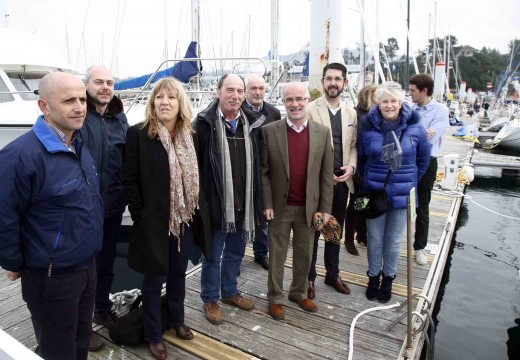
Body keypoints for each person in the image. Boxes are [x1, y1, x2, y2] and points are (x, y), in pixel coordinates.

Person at [0, 72, 103, 360]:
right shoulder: (19, 157)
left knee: (81, 341)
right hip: (51, 277)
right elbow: (4, 218)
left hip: (86, 267)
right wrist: (18, 263)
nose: (80, 107)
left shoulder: (78, 145)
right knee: (58, 350)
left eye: (82, 99)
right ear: (44, 106)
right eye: (69, 100)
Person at [123, 77, 209, 360]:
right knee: (153, 278)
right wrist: (141, 216)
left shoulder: (191, 135)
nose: (165, 102)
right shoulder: (139, 134)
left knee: (177, 274)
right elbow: (130, 180)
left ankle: (177, 319)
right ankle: (153, 333)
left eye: (171, 98)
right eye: (160, 97)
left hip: (184, 220)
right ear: (152, 103)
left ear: (180, 103)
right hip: (154, 221)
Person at [193, 74, 263, 325]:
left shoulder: (252, 123)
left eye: (239, 91)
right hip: (216, 204)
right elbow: (196, 167)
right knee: (212, 256)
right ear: (218, 91)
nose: (235, 96)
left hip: (245, 202)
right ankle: (210, 298)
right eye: (230, 90)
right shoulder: (203, 124)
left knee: (236, 252)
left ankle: (230, 291)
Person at [261, 82, 334, 321]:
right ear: (284, 103)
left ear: (306, 101)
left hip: (309, 209)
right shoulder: (269, 131)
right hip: (280, 208)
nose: (295, 104)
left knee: (305, 254)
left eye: (299, 99)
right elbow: (264, 172)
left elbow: (326, 176)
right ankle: (275, 298)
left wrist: (324, 210)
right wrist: (267, 203)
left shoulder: (322, 133)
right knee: (277, 255)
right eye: (290, 100)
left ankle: (299, 292)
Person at [357, 81, 430, 304]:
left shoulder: (415, 127)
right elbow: (361, 159)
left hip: (402, 194)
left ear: (401, 102)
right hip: (375, 192)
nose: (389, 105)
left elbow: (423, 160)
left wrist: (409, 182)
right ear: (378, 103)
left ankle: (388, 279)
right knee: (375, 238)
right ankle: (373, 277)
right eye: (385, 101)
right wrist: (369, 181)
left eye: (394, 101)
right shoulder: (367, 126)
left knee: (394, 240)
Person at [80, 65, 128, 337]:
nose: (105, 87)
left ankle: (101, 307)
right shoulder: (79, 115)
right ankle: (81, 324)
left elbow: (127, 159)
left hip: (112, 206)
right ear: (86, 85)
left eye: (109, 82)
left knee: (106, 262)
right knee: (83, 268)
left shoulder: (119, 118)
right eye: (98, 82)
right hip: (84, 210)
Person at [306, 63, 356, 299]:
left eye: (338, 79)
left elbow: (353, 146)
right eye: (329, 79)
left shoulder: (351, 113)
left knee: (335, 229)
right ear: (322, 82)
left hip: (342, 181)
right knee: (315, 229)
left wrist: (352, 167)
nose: (333, 83)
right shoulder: (310, 110)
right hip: (318, 183)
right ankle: (309, 277)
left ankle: (332, 273)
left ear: (344, 82)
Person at [240, 74, 282, 270]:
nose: (257, 92)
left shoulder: (273, 113)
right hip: (242, 170)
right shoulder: (236, 110)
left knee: (263, 215)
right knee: (240, 216)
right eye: (253, 88)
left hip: (265, 170)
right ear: (246, 90)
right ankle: (236, 257)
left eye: (261, 88)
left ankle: (260, 253)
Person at [408, 74, 449, 266]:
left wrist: (413, 133)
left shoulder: (440, 110)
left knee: (422, 206)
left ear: (424, 90)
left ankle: (420, 248)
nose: (410, 94)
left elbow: (429, 140)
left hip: (427, 162)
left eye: (413, 90)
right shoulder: (409, 108)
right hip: (407, 161)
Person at [344, 84, 377, 255]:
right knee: (356, 204)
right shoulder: (357, 115)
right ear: (369, 97)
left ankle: (361, 234)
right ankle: (349, 237)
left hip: (372, 167)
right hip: (359, 167)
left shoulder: (375, 115)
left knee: (365, 202)